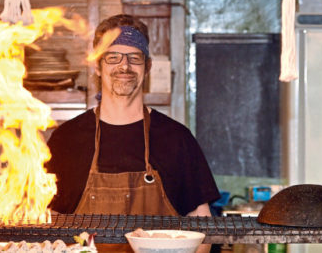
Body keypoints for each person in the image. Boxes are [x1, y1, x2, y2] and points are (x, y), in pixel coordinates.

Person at [46, 14, 219, 246]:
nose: (124, 66)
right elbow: (47, 223)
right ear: (97, 66)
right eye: (113, 57)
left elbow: (201, 224)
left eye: (134, 57)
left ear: (147, 67)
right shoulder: (66, 140)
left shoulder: (176, 139)